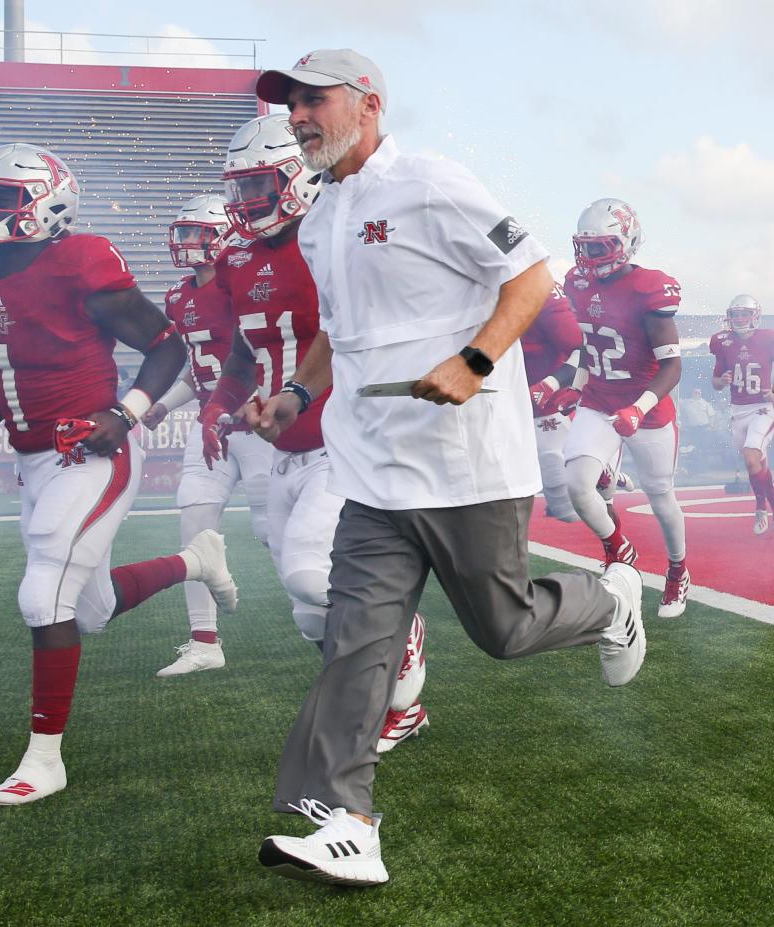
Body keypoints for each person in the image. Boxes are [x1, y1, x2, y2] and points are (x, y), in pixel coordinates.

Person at [250, 49, 645, 886]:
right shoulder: (320, 216)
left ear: (368, 104)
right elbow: (334, 329)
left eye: (314, 101)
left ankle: (611, 598)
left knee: (502, 629)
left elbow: (531, 276)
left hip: (466, 467)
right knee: (356, 646)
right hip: (371, 473)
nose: (299, 117)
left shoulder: (429, 182)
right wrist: (293, 392)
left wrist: (475, 358)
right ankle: (348, 824)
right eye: (292, 106)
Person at [0, 142, 238, 807]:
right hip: (34, 458)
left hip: (91, 451)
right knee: (90, 606)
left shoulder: (81, 261)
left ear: (49, 206)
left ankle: (45, 759)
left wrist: (124, 413)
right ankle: (197, 559)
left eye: (1, 201)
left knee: (44, 595)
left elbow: (165, 345)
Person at [201, 113, 428, 753]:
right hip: (284, 448)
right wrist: (224, 401)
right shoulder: (236, 258)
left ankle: (401, 665)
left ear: (298, 178)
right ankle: (370, 704)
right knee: (310, 613)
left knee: (310, 574)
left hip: (344, 436)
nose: (245, 204)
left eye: (258, 188)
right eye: (238, 190)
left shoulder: (343, 231)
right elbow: (245, 350)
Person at [140, 193, 274, 676]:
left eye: (198, 232)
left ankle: (339, 614)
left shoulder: (246, 281)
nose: (189, 243)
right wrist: (162, 404)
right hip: (207, 428)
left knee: (273, 533)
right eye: (185, 233)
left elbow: (266, 352)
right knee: (194, 530)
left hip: (260, 426)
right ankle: (204, 642)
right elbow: (197, 372)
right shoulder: (178, 295)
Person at [562, 199, 689, 619]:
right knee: (578, 484)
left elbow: (672, 365)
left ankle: (677, 570)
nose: (588, 257)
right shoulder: (577, 284)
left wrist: (638, 408)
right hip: (599, 402)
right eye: (584, 246)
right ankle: (619, 550)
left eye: (599, 247)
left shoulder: (647, 287)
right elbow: (587, 349)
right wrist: (568, 385)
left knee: (660, 495)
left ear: (626, 242)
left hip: (647, 410)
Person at [709, 295, 774, 534]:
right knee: (757, 464)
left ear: (755, 316)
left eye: (744, 314)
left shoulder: (768, 338)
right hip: (738, 411)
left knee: (750, 456)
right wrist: (721, 380)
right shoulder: (722, 341)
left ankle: (759, 508)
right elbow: (715, 381)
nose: (739, 319)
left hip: (763, 408)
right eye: (735, 314)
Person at [523, 283, 584, 521]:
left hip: (546, 407)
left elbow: (582, 350)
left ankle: (602, 472)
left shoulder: (542, 293)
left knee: (565, 509)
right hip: (504, 407)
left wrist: (550, 384)